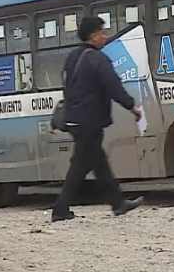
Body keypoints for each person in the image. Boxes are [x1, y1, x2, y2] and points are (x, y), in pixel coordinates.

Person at [51, 16, 144, 222]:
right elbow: (113, 86)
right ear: (93, 36)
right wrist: (131, 106)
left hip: (75, 120)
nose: (105, 36)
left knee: (96, 163)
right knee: (80, 166)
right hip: (89, 121)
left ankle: (117, 203)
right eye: (102, 32)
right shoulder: (97, 59)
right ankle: (60, 209)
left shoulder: (72, 57)